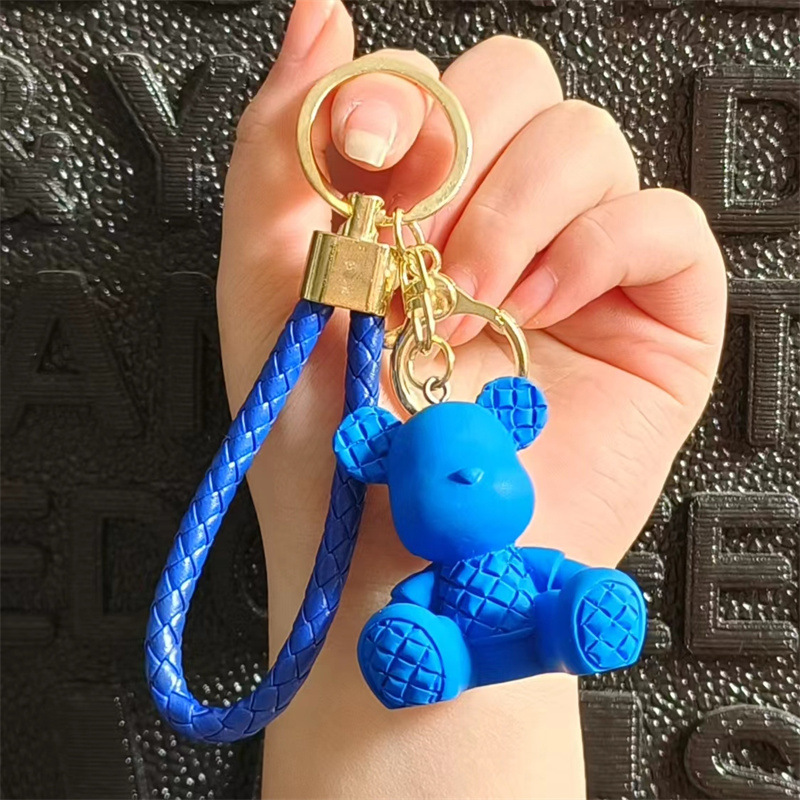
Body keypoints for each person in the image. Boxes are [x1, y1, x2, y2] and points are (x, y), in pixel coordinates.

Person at [217, 0, 727, 797]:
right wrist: (367, 602)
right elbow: (408, 601)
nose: (463, 478)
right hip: (454, 647)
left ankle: (577, 619)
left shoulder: (523, 539)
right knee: (416, 631)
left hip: (541, 627)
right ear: (374, 455)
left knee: (569, 592)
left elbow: (551, 565)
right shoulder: (390, 509)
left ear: (516, 423)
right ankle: (436, 656)